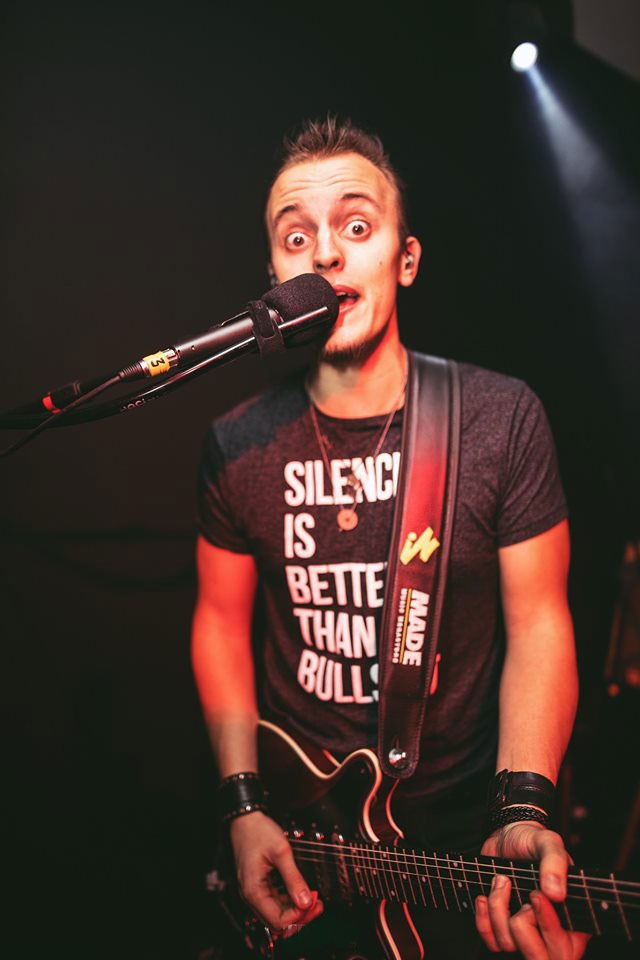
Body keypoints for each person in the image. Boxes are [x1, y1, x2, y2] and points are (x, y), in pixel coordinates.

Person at [191, 116, 589, 959]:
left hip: (453, 841)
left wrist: (524, 806)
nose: (324, 255)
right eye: (296, 237)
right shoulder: (237, 441)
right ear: (275, 278)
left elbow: (543, 623)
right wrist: (243, 802)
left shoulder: (498, 418)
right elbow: (221, 622)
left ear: (405, 260)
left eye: (356, 226)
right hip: (301, 840)